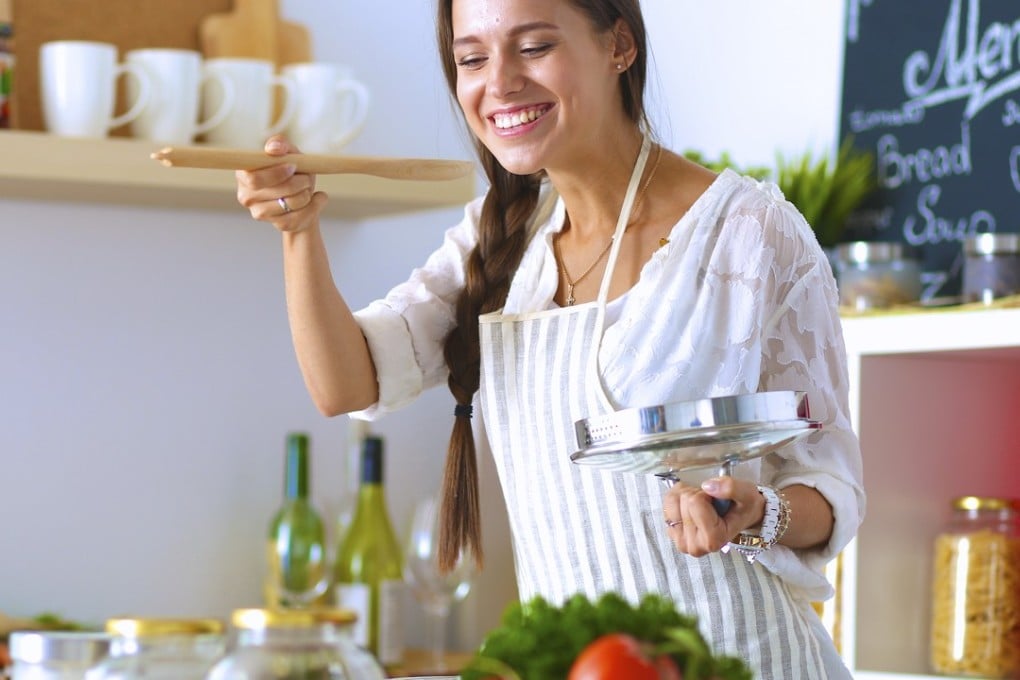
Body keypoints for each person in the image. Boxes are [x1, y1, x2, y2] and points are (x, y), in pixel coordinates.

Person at [235, 0, 864, 676]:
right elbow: (345, 384)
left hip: (746, 662)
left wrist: (758, 510)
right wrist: (298, 234)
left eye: (533, 47)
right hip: (583, 666)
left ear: (619, 45)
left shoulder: (749, 232)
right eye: (472, 58)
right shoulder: (500, 234)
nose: (498, 82)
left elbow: (832, 491)